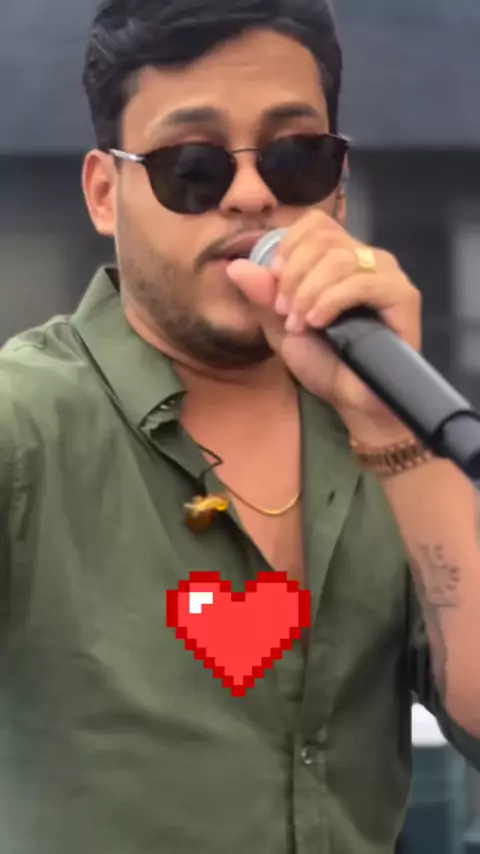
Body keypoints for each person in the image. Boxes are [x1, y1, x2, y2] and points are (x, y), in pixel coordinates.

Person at [1, 0, 480, 852]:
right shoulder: (23, 424)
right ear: (105, 194)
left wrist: (394, 434)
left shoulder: (393, 421)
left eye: (295, 157)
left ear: (337, 182)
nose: (253, 195)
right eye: (193, 166)